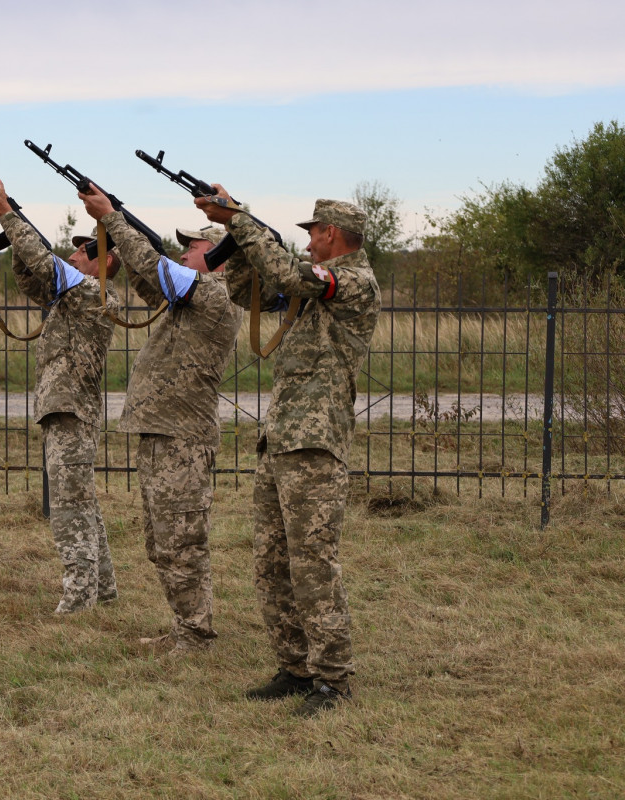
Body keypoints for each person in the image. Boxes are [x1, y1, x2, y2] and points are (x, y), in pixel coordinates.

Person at [195, 190, 380, 716]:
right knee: (272, 562)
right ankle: (295, 667)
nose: (307, 239)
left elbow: (288, 278)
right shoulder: (315, 283)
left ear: (333, 235)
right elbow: (247, 291)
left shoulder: (353, 282)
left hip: (315, 447)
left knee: (313, 564)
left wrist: (243, 220)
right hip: (281, 440)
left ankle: (334, 680)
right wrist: (236, 236)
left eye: (313, 231)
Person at [77, 184, 244, 652]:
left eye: (192, 247)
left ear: (220, 255)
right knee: (162, 540)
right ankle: (184, 627)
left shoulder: (216, 297)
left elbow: (155, 268)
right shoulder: (188, 297)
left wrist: (113, 219)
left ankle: (196, 635)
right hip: (161, 433)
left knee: (181, 539)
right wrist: (115, 229)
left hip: (182, 439)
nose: (182, 253)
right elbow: (149, 277)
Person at [0, 179, 119, 613]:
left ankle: (78, 599)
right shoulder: (70, 295)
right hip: (63, 408)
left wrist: (6, 210)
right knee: (82, 500)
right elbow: (30, 275)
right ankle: (105, 588)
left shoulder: (93, 296)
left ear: (105, 263)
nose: (74, 255)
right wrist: (16, 229)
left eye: (82, 251)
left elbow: (44, 260)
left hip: (71, 410)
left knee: (69, 506)